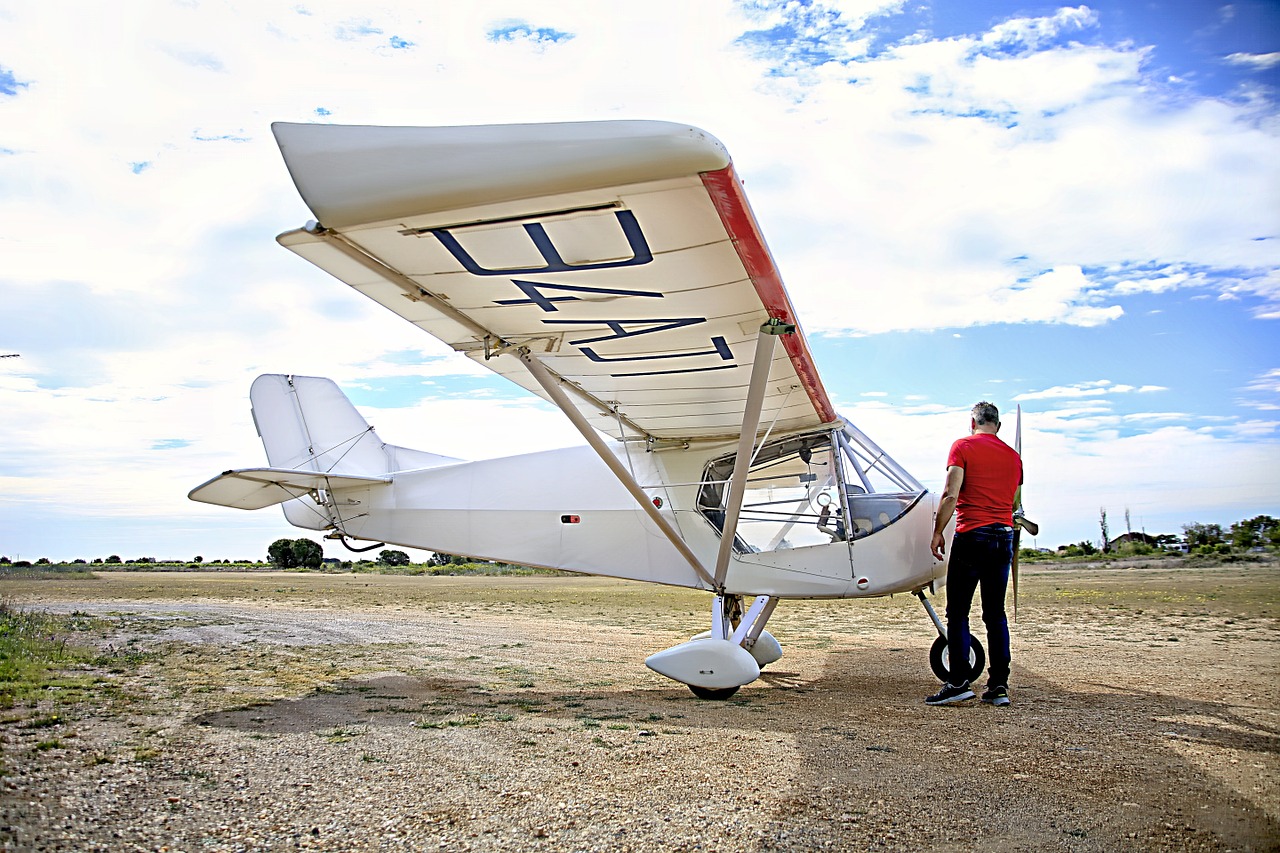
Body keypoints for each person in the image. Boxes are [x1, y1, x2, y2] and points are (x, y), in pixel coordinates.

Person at [926, 401, 1023, 707]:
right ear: (998, 425)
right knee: (995, 615)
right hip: (1003, 537)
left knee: (958, 614)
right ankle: (998, 687)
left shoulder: (963, 446)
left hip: (972, 536)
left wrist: (938, 530)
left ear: (973, 422)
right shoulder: (1014, 457)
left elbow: (951, 493)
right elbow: (1012, 503)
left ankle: (957, 682)